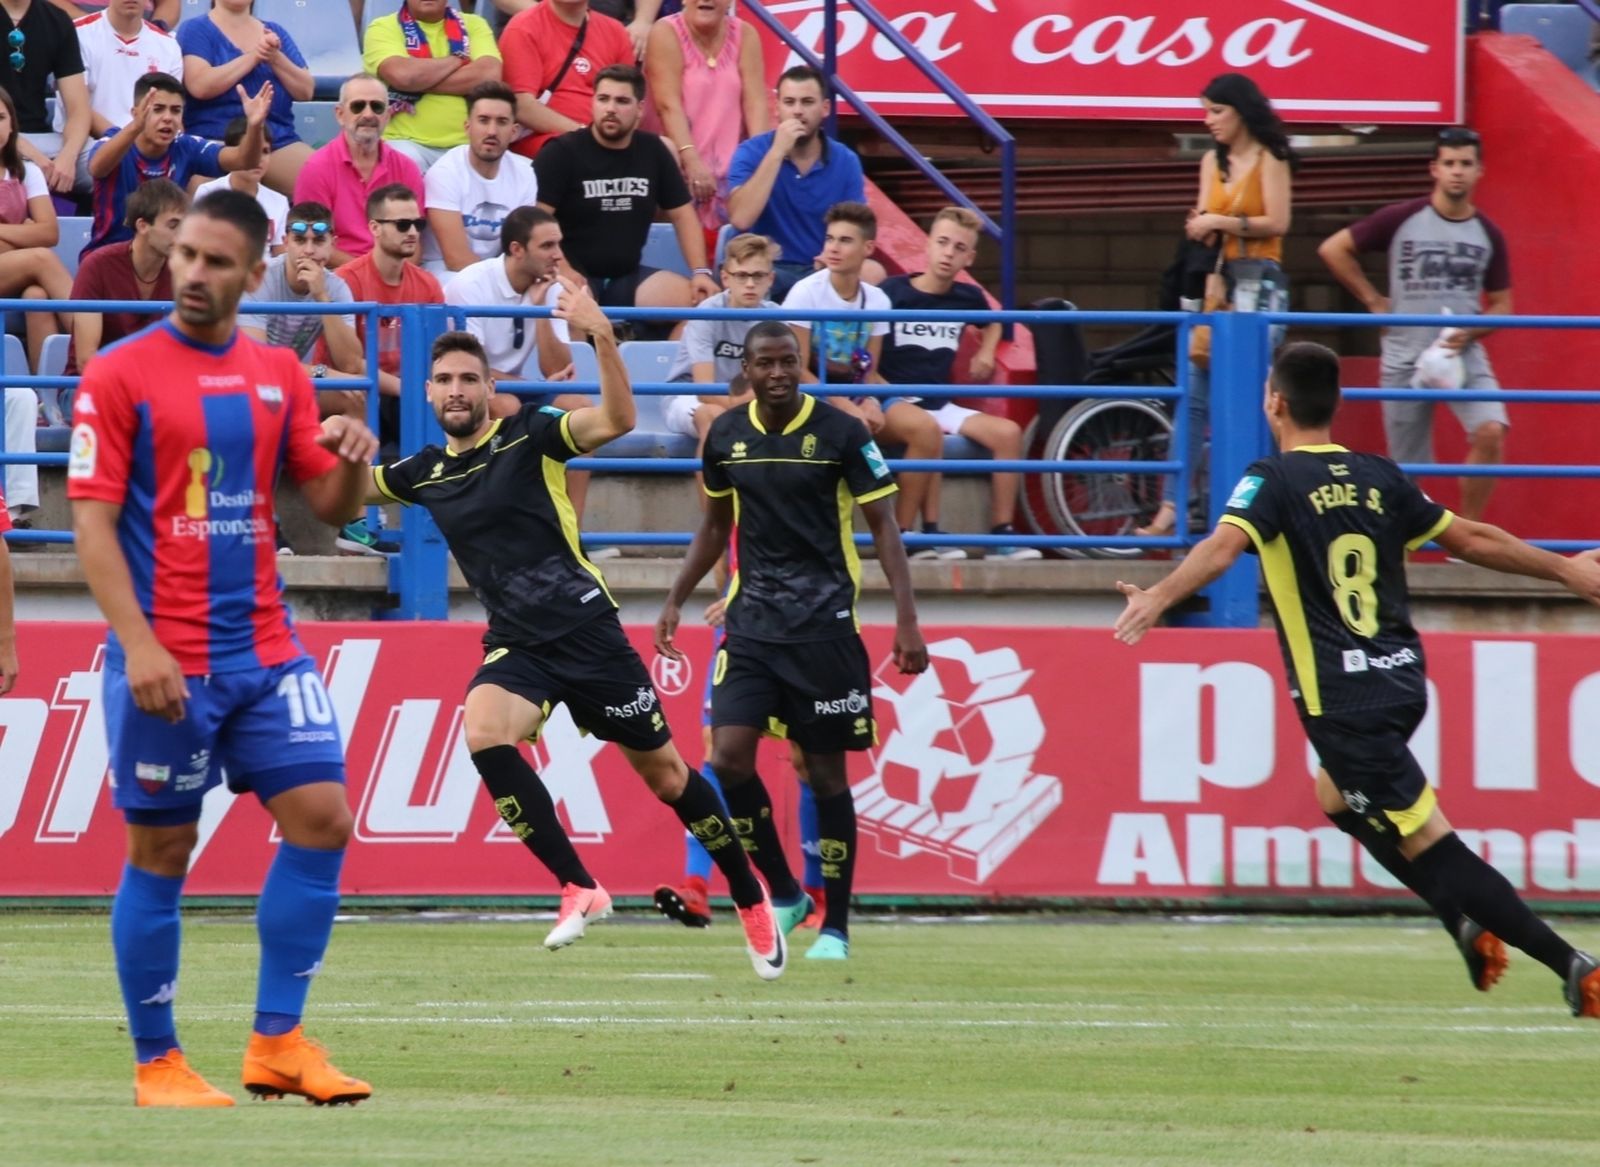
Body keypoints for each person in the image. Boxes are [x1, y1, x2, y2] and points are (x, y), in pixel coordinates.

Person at [1113, 341, 1600, 1021]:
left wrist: (1158, 596)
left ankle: (1574, 967)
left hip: (1344, 703)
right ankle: (1460, 921)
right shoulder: (1379, 475)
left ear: (1274, 403)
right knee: (1335, 796)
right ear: (1336, 403)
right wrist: (1566, 568)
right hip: (1402, 681)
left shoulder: (1271, 480)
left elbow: (1222, 546)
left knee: (1431, 840)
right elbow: (1470, 539)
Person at [67, 188, 377, 1107]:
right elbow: (90, 524)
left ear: (254, 271)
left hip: (268, 651)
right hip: (168, 658)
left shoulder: (280, 372)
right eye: (186, 254)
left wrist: (353, 455)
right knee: (163, 849)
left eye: (215, 261)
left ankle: (277, 1043)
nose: (192, 273)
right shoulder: (119, 372)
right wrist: (139, 644)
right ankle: (157, 1061)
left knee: (323, 817)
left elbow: (331, 506)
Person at [367, 315, 791, 980]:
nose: (456, 390)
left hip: (588, 634)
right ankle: (578, 885)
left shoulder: (532, 434)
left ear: (490, 387)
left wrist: (603, 341)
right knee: (483, 731)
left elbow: (618, 419)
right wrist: (306, 435)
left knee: (668, 778)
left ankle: (747, 893)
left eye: (469, 379)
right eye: (444, 380)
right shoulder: (420, 472)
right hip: (518, 644)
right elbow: (338, 487)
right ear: (427, 391)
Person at [656, 321, 930, 960]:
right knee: (728, 758)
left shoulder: (842, 433)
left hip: (824, 629)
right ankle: (783, 889)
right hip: (751, 626)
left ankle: (836, 926)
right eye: (766, 364)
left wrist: (907, 620)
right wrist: (675, 597)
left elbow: (884, 526)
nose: (778, 373)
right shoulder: (726, 435)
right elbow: (714, 524)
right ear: (747, 370)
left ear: (800, 364)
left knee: (826, 773)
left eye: (788, 362)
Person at [1317, 127, 1510, 523]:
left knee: (1491, 429)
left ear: (1479, 171)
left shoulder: (1488, 232)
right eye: (1449, 163)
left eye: (1465, 164)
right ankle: (1401, 549)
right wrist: (1374, 301)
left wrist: (1471, 331)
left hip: (1462, 353)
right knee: (1405, 471)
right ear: (1434, 169)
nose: (1457, 171)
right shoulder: (1402, 217)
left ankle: (1468, 536)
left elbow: (1504, 305)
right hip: (1404, 355)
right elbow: (1333, 249)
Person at [1138, 72, 1294, 540]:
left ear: (1240, 112)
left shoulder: (1270, 158)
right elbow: (1203, 222)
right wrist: (1204, 225)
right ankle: (1171, 507)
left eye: (1217, 111)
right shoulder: (1212, 160)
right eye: (1206, 111)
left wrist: (1220, 222)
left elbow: (1278, 221)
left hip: (1260, 281)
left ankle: (1273, 502)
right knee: (1193, 394)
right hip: (1217, 284)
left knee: (1256, 397)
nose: (1209, 120)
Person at [878, 207, 1040, 561]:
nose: (948, 253)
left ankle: (1001, 534)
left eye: (959, 247)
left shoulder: (967, 297)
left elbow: (994, 322)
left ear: (969, 258)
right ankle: (917, 533)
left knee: (1008, 433)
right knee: (927, 430)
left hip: (940, 403)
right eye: (942, 242)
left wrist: (985, 351)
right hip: (896, 402)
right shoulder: (891, 291)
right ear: (928, 245)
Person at [784, 201, 940, 538]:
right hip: (813, 395)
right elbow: (796, 371)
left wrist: (869, 401)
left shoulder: (878, 300)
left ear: (868, 249)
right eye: (830, 239)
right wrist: (846, 406)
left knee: (927, 429)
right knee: (853, 428)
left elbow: (869, 369)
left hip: (855, 391)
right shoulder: (804, 292)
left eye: (845, 240)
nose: (833, 248)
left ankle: (902, 534)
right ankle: (852, 530)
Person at [534, 65, 717, 327]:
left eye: (622, 101)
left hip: (628, 276)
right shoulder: (561, 152)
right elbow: (536, 223)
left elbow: (683, 215)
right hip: (571, 273)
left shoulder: (653, 151)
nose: (611, 108)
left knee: (706, 307)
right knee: (570, 312)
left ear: (640, 109)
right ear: (593, 102)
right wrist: (563, 270)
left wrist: (700, 272)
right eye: (603, 99)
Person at [85, 70, 269, 255]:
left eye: (175, 110)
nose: (168, 117)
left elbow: (244, 160)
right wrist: (135, 127)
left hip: (165, 261)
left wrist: (255, 126)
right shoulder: (115, 141)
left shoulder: (185, 146)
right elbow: (96, 168)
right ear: (135, 113)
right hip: (108, 258)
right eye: (157, 109)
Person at [727, 65, 871, 301]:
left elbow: (855, 226)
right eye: (789, 102)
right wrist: (776, 153)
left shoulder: (846, 160)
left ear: (825, 108)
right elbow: (741, 219)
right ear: (777, 108)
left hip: (821, 268)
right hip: (764, 269)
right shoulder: (751, 152)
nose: (797, 111)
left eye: (807, 102)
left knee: (873, 273)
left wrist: (835, 256)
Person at [643, 0, 767, 239]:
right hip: (681, 165)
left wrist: (758, 163)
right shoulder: (665, 32)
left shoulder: (746, 34)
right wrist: (691, 161)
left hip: (733, 171)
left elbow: (756, 104)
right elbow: (667, 105)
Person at [335, 183, 445, 436]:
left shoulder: (428, 284)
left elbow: (439, 352)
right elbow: (346, 363)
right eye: (402, 225)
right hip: (358, 391)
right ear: (375, 228)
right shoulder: (346, 281)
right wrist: (406, 388)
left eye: (418, 224)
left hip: (408, 393)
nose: (413, 232)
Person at [176, 0, 314, 196]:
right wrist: (255, 55)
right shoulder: (195, 28)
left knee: (324, 178)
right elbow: (200, 85)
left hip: (276, 142)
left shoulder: (275, 31)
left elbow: (306, 90)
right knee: (205, 195)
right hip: (216, 144)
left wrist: (275, 57)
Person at [293, 73, 426, 267]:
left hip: (397, 274)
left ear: (387, 116)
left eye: (377, 107)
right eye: (358, 106)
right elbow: (312, 244)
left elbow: (414, 243)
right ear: (340, 114)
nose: (368, 114)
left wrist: (392, 274)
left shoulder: (407, 169)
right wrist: (368, 275)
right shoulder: (316, 169)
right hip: (337, 275)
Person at [661, 230, 778, 449]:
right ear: (725, 278)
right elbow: (704, 391)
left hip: (749, 399)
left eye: (758, 276)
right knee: (715, 419)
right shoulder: (706, 314)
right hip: (688, 394)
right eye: (741, 275)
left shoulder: (777, 318)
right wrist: (741, 407)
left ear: (770, 279)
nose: (750, 284)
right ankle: (712, 475)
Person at [362, 0, 502, 173]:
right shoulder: (383, 27)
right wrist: (457, 59)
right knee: (403, 161)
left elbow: (489, 75)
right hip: (405, 142)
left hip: (468, 145)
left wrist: (418, 81)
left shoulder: (474, 24)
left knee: (522, 168)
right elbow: (403, 76)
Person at [59, 0, 182, 192]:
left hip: (146, 142)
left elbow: (172, 107)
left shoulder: (168, 44)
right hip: (90, 140)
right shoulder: (77, 33)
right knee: (126, 168)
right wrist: (125, 139)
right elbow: (77, 107)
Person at [67, 175, 183, 377]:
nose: (182, 235)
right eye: (173, 226)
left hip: (157, 385)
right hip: (93, 384)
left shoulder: (185, 271)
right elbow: (87, 361)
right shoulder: (97, 265)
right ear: (143, 226)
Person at [420, 79, 538, 277]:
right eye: (483, 120)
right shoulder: (445, 173)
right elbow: (456, 259)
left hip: (500, 271)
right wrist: (503, 285)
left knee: (554, 290)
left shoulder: (525, 172)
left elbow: (522, 248)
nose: (492, 131)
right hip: (444, 271)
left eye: (502, 122)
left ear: (514, 132)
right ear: (468, 127)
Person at [500, 0, 633, 163]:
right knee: (573, 154)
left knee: (657, 149)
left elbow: (630, 100)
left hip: (606, 137)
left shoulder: (615, 31)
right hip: (546, 141)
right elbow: (521, 106)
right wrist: (587, 135)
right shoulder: (523, 27)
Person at [0, 81, 74, 372]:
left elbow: (49, 232)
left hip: (11, 270)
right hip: (23, 261)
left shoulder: (27, 172)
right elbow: (39, 239)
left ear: (12, 125)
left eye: (1, 117)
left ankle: (49, 393)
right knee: (41, 258)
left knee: (37, 295)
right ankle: (97, 348)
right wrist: (25, 234)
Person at [3, 0, 89, 198]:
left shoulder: (57, 20)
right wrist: (34, 157)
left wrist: (68, 156)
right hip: (7, 141)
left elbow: (78, 109)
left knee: (103, 160)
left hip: (40, 140)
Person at [193, 115, 287, 259]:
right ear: (233, 153)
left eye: (265, 151)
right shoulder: (208, 193)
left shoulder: (279, 202)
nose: (258, 159)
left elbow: (281, 259)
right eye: (251, 151)